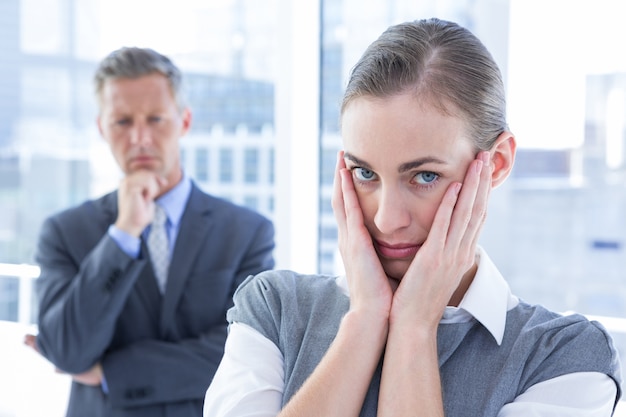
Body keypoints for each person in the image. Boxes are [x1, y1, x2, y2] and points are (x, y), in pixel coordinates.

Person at [202, 18, 622, 417]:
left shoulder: (564, 358)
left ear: (495, 165)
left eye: (424, 176)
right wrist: (365, 320)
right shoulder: (274, 310)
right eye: (365, 173)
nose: (387, 220)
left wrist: (415, 326)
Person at [24, 47, 275, 417]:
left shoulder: (247, 232)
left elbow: (245, 353)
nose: (140, 137)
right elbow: (66, 351)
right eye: (123, 122)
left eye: (156, 119)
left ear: (184, 122)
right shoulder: (64, 232)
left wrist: (113, 372)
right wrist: (123, 235)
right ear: (101, 128)